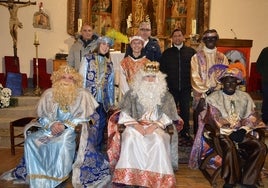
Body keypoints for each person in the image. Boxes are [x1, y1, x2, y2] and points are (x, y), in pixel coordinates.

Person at [0, 65, 111, 187]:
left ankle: (58, 177)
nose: (67, 81)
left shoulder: (83, 95)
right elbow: (42, 116)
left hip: (70, 129)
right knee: (31, 141)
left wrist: (65, 126)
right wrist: (52, 124)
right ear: (57, 79)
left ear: (75, 80)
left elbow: (88, 118)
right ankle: (38, 175)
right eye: (63, 77)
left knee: (61, 142)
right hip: (49, 129)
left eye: (70, 78)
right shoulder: (48, 94)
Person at [107, 61, 183, 187]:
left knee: (158, 140)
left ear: (159, 79)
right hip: (134, 125)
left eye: (153, 77)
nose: (150, 79)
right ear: (141, 78)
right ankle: (129, 177)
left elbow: (169, 115)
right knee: (130, 137)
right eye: (147, 76)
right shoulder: (131, 94)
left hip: (157, 126)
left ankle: (157, 178)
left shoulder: (166, 96)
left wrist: (154, 126)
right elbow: (124, 112)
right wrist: (136, 126)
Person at [189, 67, 267, 188]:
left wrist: (242, 130)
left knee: (261, 147)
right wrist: (229, 132)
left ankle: (248, 180)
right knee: (230, 147)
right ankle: (230, 181)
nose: (230, 84)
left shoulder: (245, 97)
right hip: (221, 133)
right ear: (222, 82)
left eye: (234, 81)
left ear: (238, 83)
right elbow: (213, 118)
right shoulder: (213, 98)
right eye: (227, 81)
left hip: (241, 132)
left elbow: (252, 116)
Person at [79, 36, 115, 151]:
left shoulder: (109, 64)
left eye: (108, 45)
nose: (105, 47)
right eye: (103, 44)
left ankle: (97, 150)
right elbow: (81, 79)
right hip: (90, 99)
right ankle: (87, 150)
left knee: (101, 125)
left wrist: (111, 102)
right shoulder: (88, 59)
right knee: (90, 124)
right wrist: (82, 98)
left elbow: (110, 85)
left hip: (102, 101)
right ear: (98, 45)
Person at [191, 29, 229, 134]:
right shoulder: (196, 57)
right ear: (204, 40)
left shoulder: (222, 57)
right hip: (202, 93)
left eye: (213, 38)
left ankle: (217, 141)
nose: (210, 40)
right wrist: (206, 90)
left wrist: (217, 88)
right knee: (199, 114)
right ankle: (198, 141)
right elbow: (195, 76)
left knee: (218, 117)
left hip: (218, 93)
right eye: (208, 38)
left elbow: (225, 75)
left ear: (217, 40)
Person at [160, 28, 196, 140]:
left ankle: (185, 132)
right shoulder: (167, 53)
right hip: (171, 87)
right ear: (172, 38)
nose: (177, 38)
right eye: (175, 36)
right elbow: (162, 71)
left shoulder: (191, 52)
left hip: (186, 87)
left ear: (183, 37)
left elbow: (195, 70)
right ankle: (170, 130)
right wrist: (164, 86)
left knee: (185, 110)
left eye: (179, 35)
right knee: (171, 110)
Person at [256, 47, 268, 124]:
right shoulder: (265, 50)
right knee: (266, 100)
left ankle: (265, 119)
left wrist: (263, 74)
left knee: (266, 100)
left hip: (266, 80)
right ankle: (265, 119)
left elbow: (258, 66)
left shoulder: (265, 50)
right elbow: (258, 66)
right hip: (266, 80)